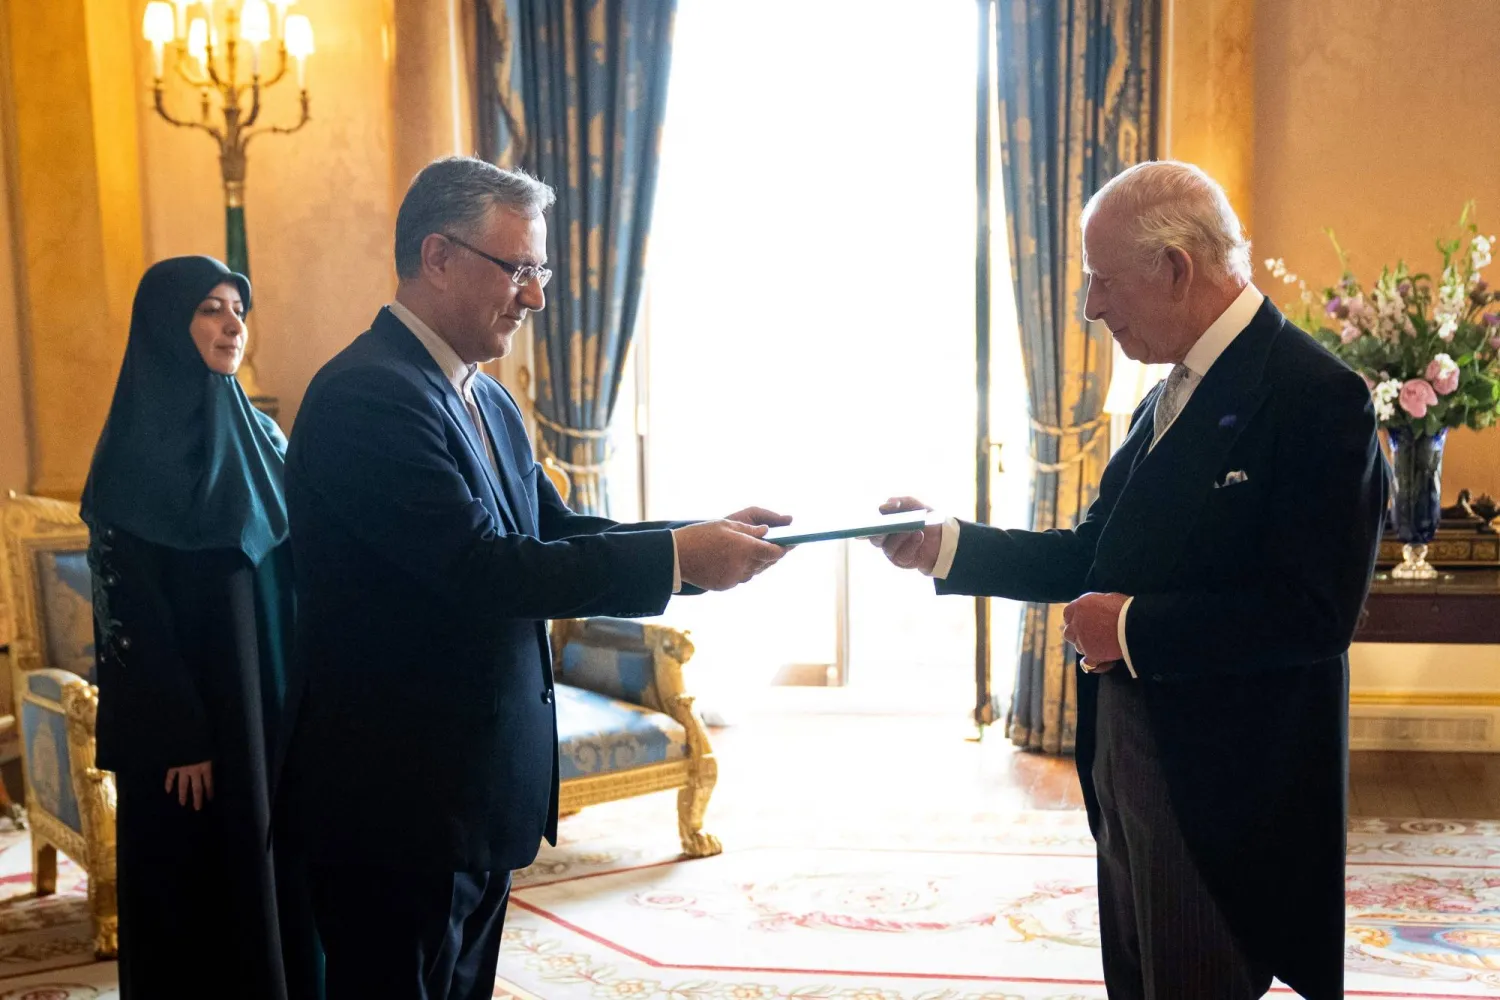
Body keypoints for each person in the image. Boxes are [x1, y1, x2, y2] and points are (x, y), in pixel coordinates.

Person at [279, 155, 789, 1000]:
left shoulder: (487, 399)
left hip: (476, 794)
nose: (536, 296)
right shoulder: (365, 397)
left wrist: (701, 544)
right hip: (394, 804)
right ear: (438, 257)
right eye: (518, 269)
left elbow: (556, 535)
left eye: (537, 270)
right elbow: (482, 569)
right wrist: (679, 557)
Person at [873, 161, 1385, 1000]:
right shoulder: (1173, 389)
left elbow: (1313, 615)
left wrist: (1134, 631)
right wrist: (941, 545)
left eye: (1102, 281)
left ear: (1177, 268)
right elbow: (1090, 555)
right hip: (1131, 759)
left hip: (1222, 787)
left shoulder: (1317, 396)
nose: (1089, 308)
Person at [81, 256, 322, 999]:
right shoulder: (132, 455)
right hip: (196, 730)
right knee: (203, 886)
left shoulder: (264, 437)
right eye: (210, 308)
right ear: (165, 325)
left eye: (238, 308)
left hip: (273, 701)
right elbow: (129, 610)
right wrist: (180, 733)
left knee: (285, 867)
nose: (232, 324)